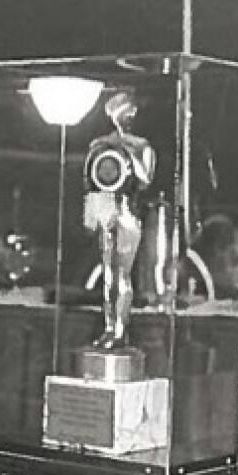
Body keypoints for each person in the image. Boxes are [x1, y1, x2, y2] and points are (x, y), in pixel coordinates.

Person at [82, 91, 155, 349]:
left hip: (128, 214)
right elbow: (91, 180)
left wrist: (126, 152)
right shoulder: (98, 144)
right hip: (106, 211)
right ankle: (109, 327)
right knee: (108, 276)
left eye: (127, 112)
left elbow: (145, 180)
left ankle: (121, 331)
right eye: (119, 113)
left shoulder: (142, 145)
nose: (124, 118)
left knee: (122, 274)